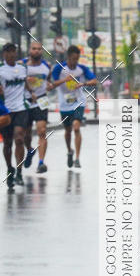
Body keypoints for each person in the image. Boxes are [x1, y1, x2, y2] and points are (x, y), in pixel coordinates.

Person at [51, 46, 97, 169]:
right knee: (68, 131)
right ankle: (69, 151)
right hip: (64, 105)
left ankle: (77, 158)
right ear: (68, 58)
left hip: (79, 102)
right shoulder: (59, 69)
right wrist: (64, 80)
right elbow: (52, 84)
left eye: (77, 59)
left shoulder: (82, 69)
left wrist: (84, 83)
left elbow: (94, 80)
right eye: (72, 59)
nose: (74, 62)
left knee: (76, 127)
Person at [0, 42, 36, 188]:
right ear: (4, 54)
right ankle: (10, 169)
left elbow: (24, 81)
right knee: (8, 142)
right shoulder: (1, 69)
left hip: (21, 108)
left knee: (19, 139)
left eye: (14, 51)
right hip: (6, 111)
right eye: (8, 52)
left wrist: (31, 91)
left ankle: (19, 172)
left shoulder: (22, 68)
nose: (11, 54)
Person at [22, 40, 54, 174]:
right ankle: (29, 149)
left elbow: (49, 81)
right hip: (26, 101)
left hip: (41, 100)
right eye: (34, 49)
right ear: (30, 50)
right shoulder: (22, 65)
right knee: (26, 133)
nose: (36, 51)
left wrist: (50, 85)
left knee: (42, 131)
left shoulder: (47, 66)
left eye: (39, 49)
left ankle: (41, 163)